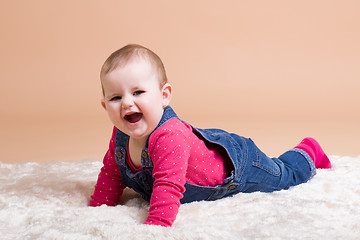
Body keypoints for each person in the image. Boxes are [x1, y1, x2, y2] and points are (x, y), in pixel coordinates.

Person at [90, 44, 332, 227]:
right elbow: (112, 172)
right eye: (116, 97)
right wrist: (98, 209)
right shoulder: (121, 134)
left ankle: (309, 150)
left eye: (138, 92)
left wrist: (156, 226)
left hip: (237, 168)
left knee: (284, 175)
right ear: (105, 106)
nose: (127, 103)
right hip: (203, 146)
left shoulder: (169, 137)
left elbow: (167, 186)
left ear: (164, 96)